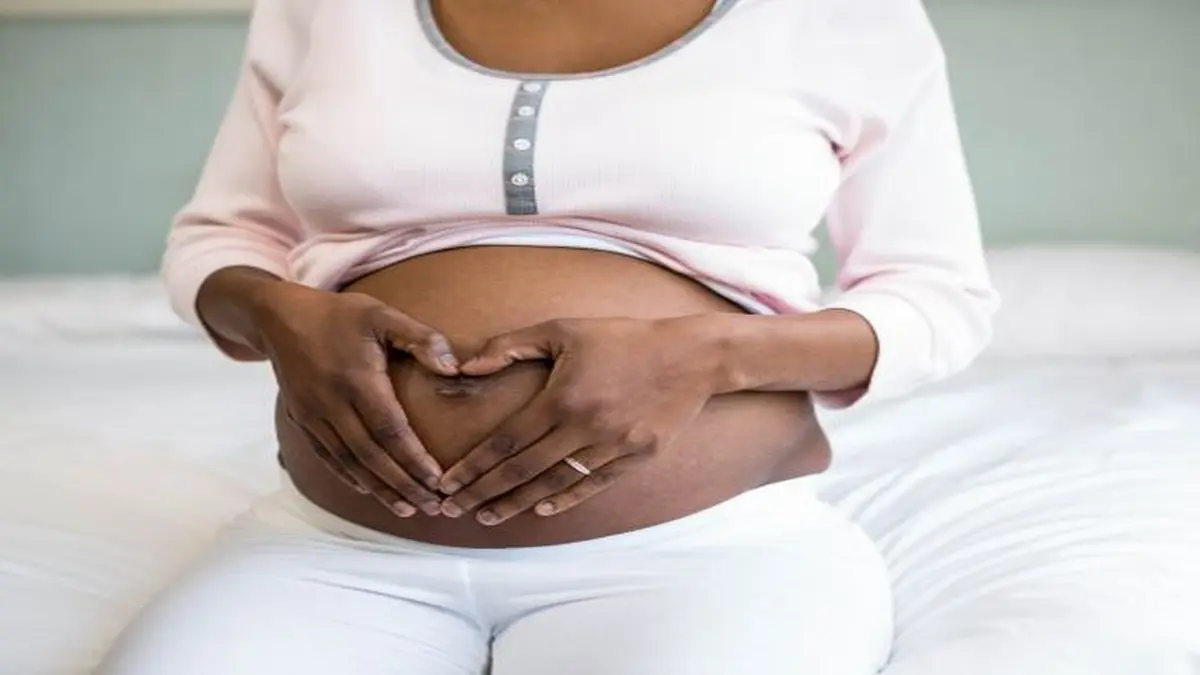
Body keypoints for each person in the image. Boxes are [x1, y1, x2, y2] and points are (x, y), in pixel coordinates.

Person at [96, 0, 998, 672]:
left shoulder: (847, 19)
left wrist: (702, 355)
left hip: (709, 551)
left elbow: (940, 297)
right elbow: (219, 239)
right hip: (335, 543)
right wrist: (282, 316)